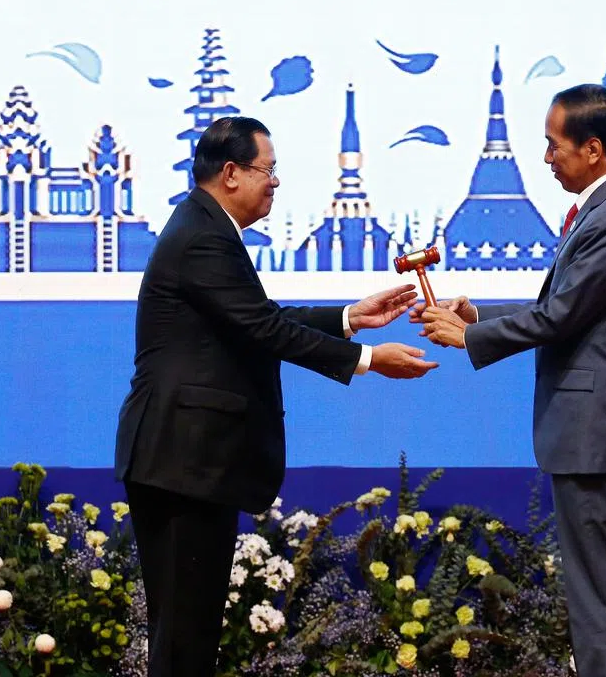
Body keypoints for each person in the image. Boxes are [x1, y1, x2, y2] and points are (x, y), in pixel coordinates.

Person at [114, 115, 438, 677]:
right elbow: (262, 329)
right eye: (269, 170)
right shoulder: (201, 236)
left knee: (189, 634)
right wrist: (366, 360)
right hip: (182, 460)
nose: (276, 183)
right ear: (232, 172)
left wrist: (348, 318)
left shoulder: (205, 227)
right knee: (183, 638)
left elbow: (252, 321)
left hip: (188, 459)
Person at [417, 84, 606, 677]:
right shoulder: (603, 211)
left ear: (593, 148)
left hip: (594, 431)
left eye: (554, 145)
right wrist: (479, 317)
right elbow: (565, 306)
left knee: (598, 596)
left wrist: (468, 337)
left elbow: (560, 317)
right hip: (587, 430)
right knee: (592, 593)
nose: (546, 157)